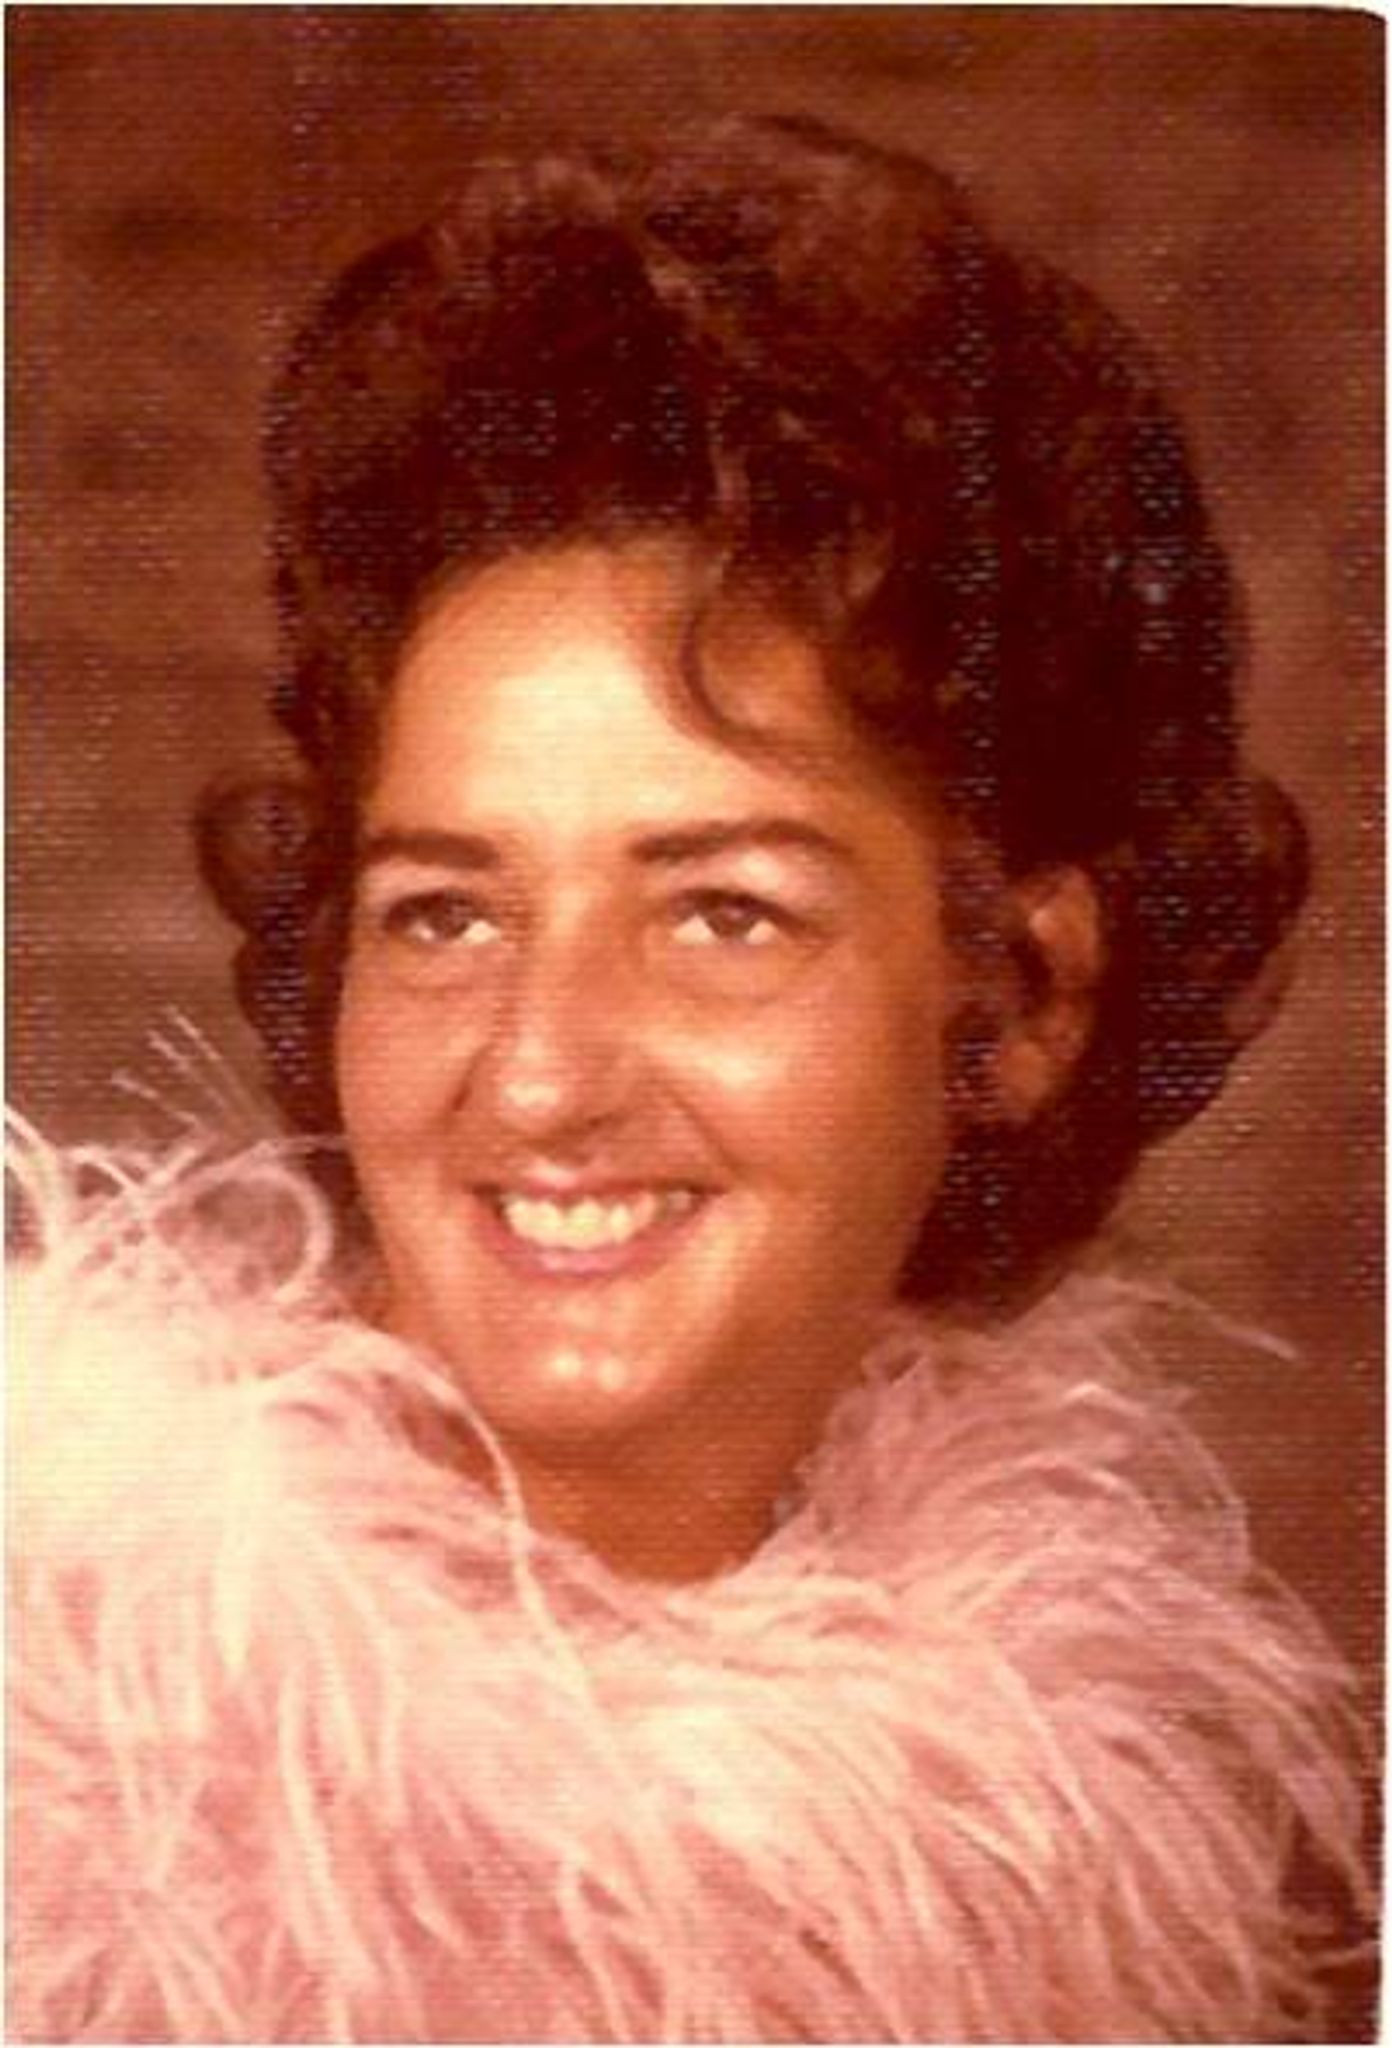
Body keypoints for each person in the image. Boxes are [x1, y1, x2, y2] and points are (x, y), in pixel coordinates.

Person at [9, 114, 1373, 2041]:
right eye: (445, 913)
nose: (537, 1077)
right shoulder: (55, 1749)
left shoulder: (1090, 1863)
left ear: (1024, 993)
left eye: (722, 913)